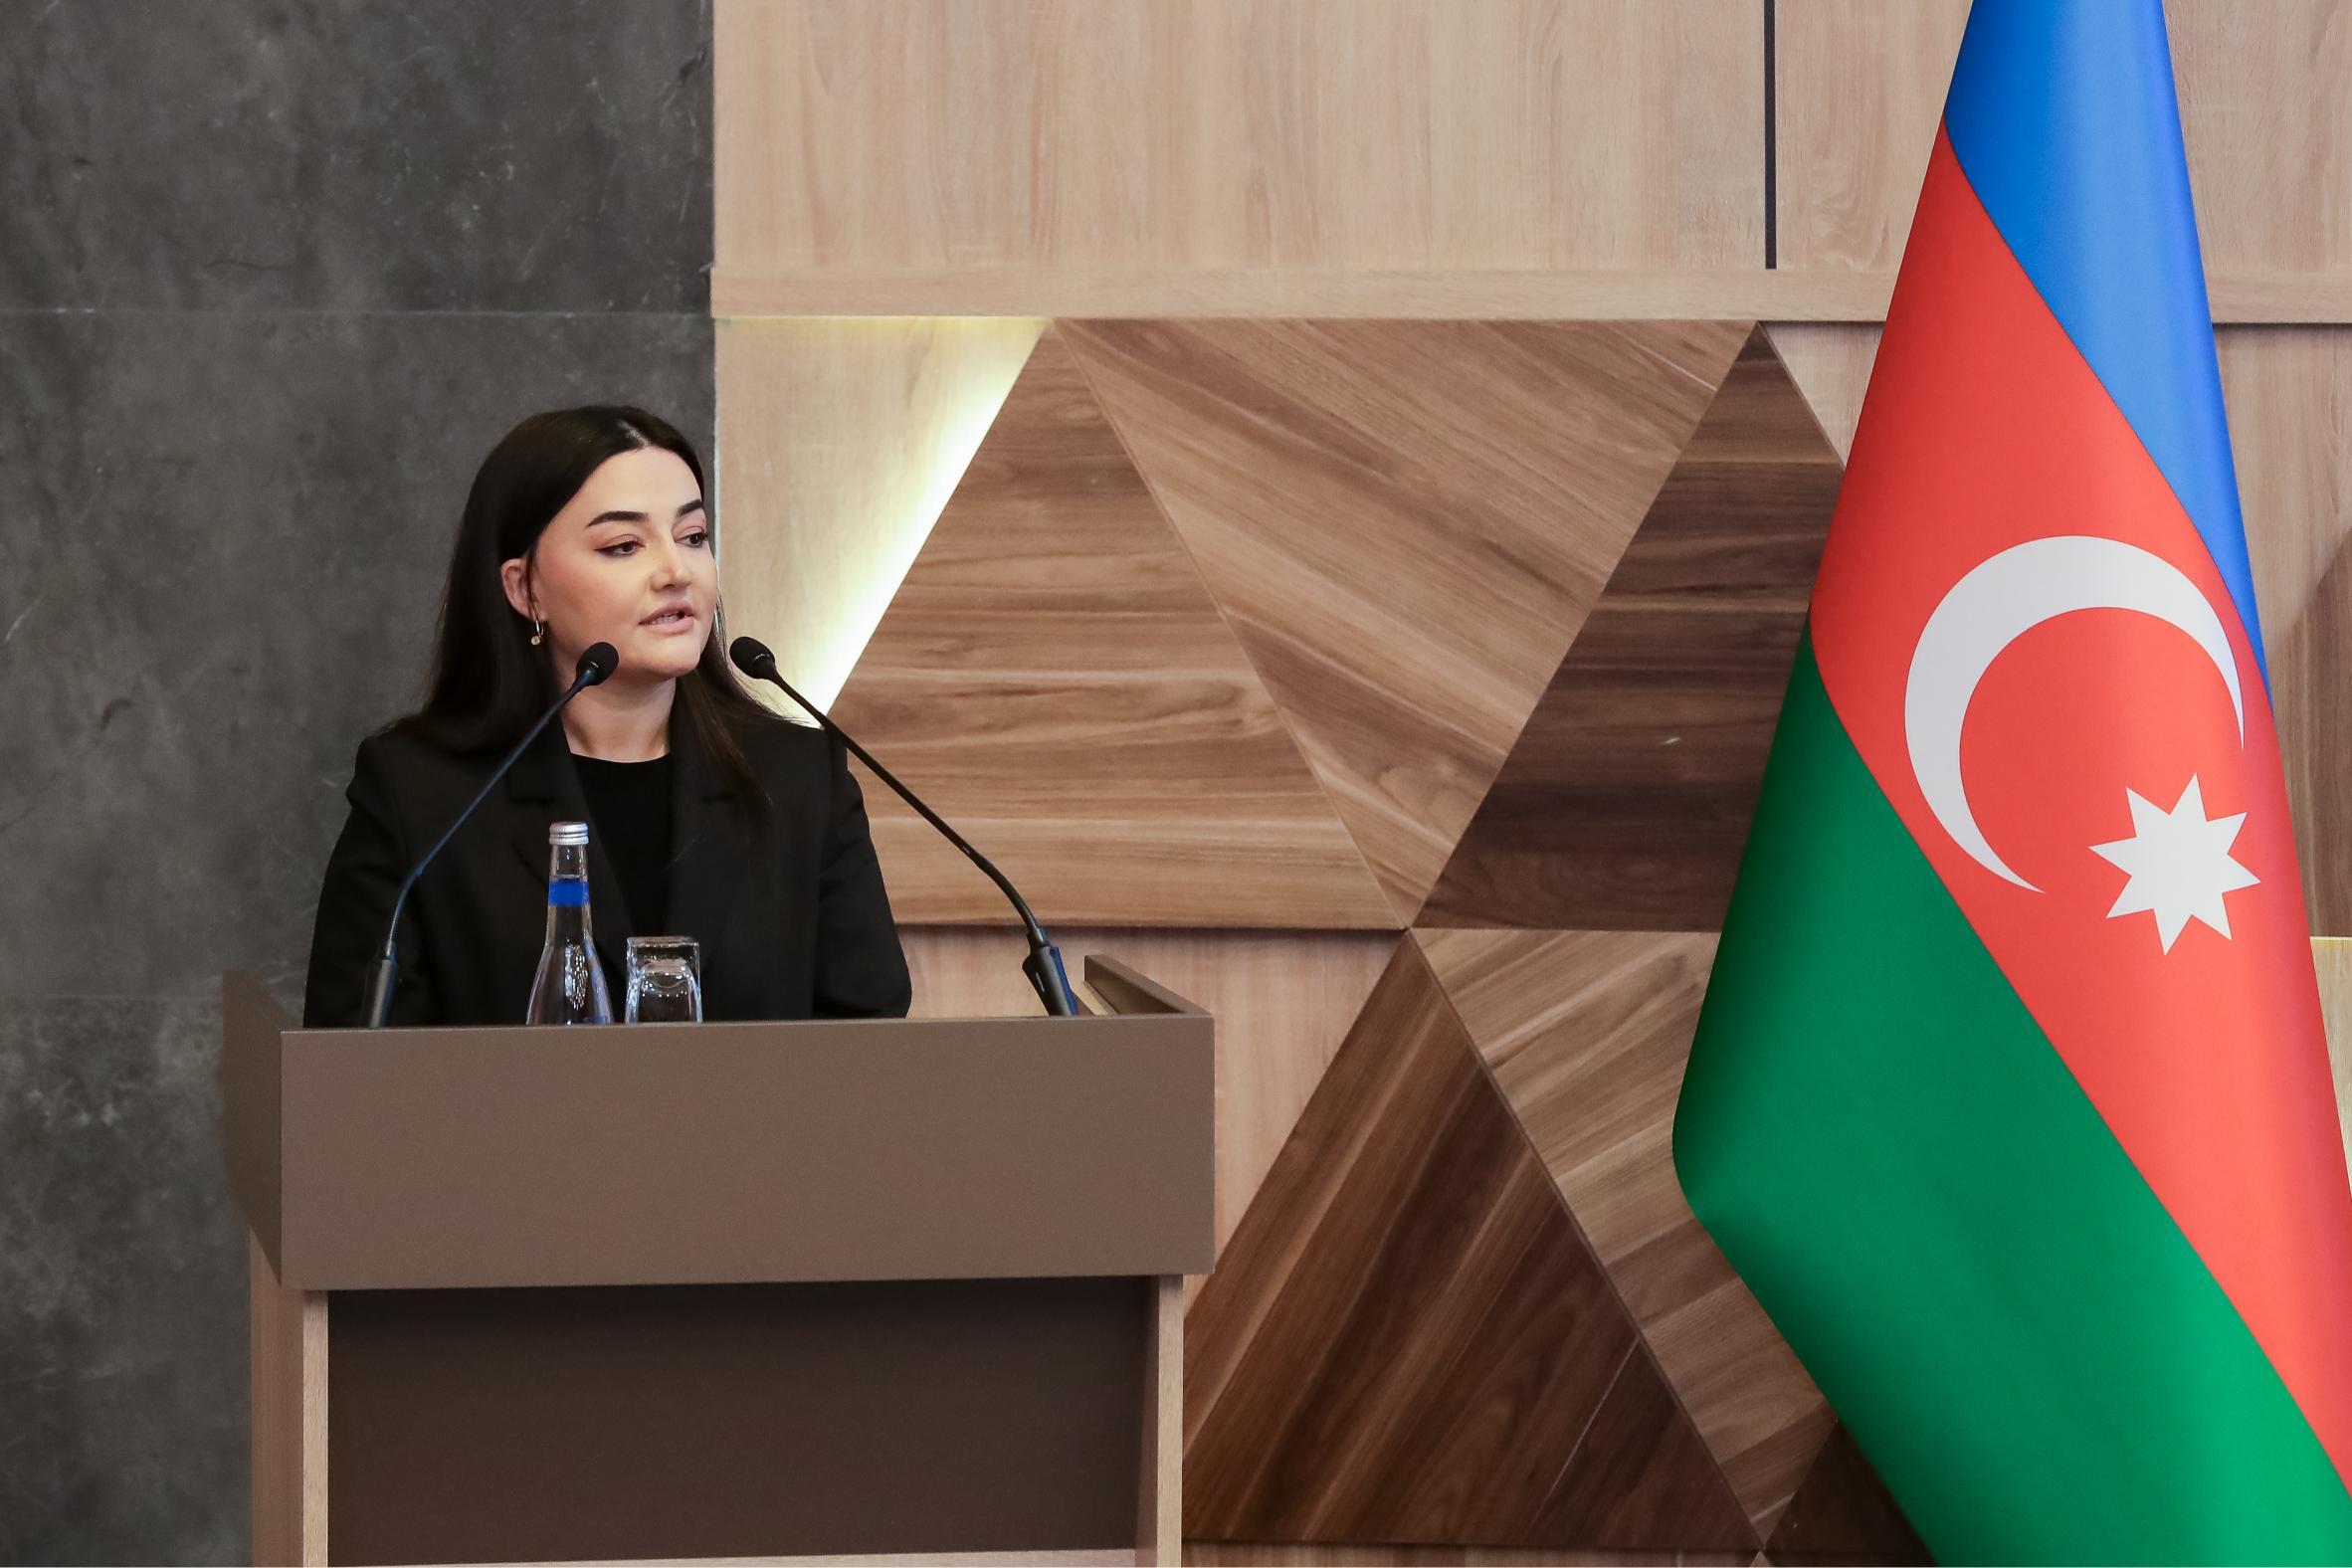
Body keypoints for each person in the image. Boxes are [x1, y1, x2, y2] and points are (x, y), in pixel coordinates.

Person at [301, 405, 912, 1028]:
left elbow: (871, 1044)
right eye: (623, 546)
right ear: (525, 589)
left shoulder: (799, 780)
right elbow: (356, 1060)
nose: (675, 572)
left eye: (693, 536)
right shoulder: (423, 796)